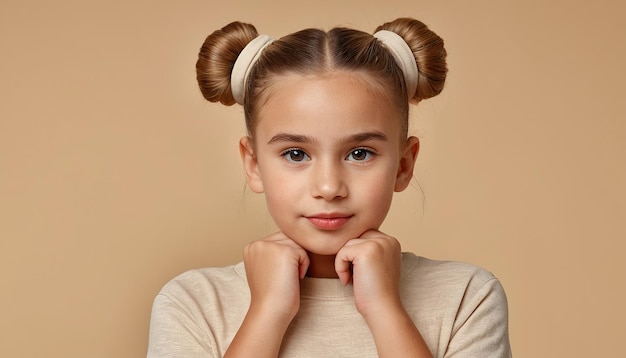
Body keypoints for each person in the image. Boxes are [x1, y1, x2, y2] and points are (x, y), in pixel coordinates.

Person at [148, 17, 512, 357]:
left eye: (359, 153)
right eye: (295, 154)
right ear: (254, 164)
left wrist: (384, 309)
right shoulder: (193, 303)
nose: (328, 187)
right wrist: (267, 312)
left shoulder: (467, 296)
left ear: (403, 165)